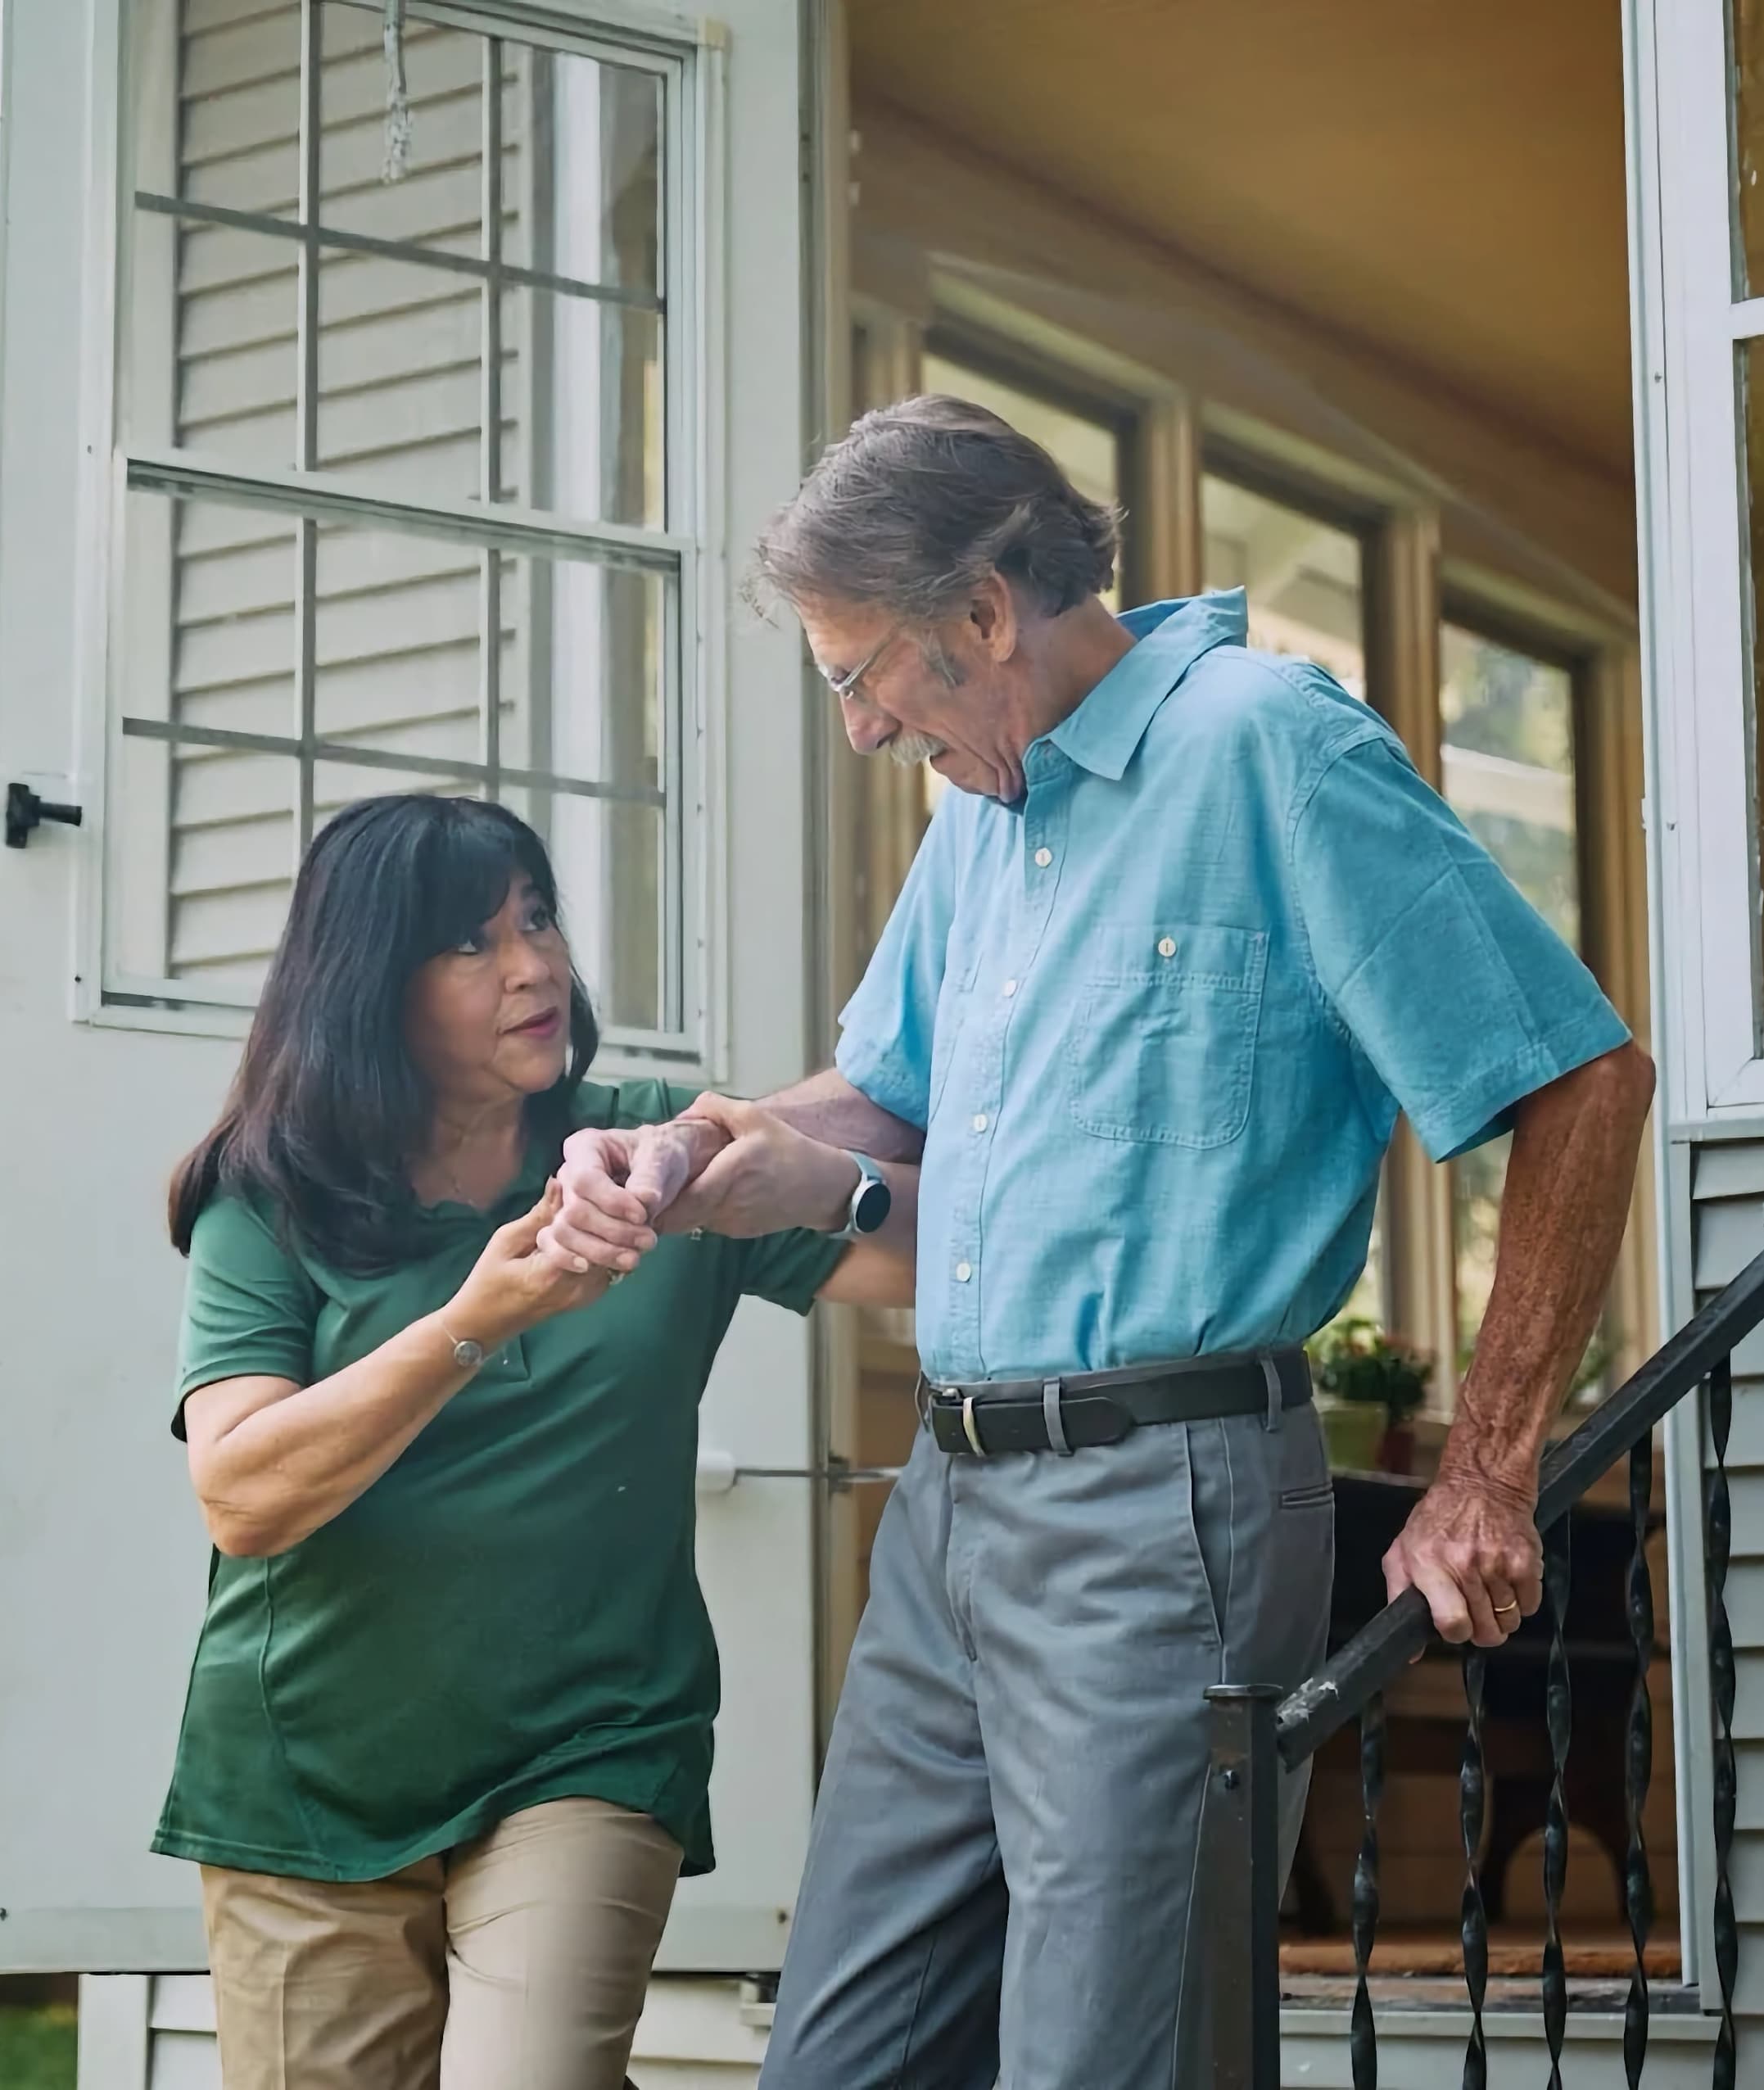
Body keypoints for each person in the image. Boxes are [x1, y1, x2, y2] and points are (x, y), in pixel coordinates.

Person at [540, 395, 1656, 2087]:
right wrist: (699, 1139)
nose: (855, 729)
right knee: (838, 2058)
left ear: (984, 615)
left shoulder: (1270, 746)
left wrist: (1488, 1468)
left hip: (1167, 1508)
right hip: (948, 1513)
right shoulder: (981, 807)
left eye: (861, 677)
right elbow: (881, 1100)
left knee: (1106, 2063)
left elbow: (1581, 1079)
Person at [158, 792, 921, 2090]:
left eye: (539, 919)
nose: (536, 966)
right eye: (472, 943)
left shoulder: (638, 1160)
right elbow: (241, 1494)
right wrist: (481, 1315)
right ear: (369, 984)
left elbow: (922, 1262)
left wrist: (827, 1179)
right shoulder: (274, 1191)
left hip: (587, 1742)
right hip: (305, 1773)